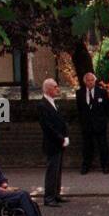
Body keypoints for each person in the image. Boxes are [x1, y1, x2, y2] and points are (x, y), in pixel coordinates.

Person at [37, 78, 70, 206]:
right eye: (55, 87)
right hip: (52, 143)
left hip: (59, 142)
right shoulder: (42, 105)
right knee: (52, 170)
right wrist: (60, 138)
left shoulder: (54, 103)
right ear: (48, 88)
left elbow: (61, 122)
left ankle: (56, 194)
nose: (58, 89)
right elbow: (47, 126)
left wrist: (65, 136)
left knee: (57, 170)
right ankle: (49, 197)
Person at [76, 71, 109, 174]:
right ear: (85, 82)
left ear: (95, 81)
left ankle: (105, 166)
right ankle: (86, 166)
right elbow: (79, 109)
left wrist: (103, 120)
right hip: (86, 125)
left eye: (92, 80)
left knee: (103, 146)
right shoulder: (80, 93)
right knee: (87, 146)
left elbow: (107, 108)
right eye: (88, 80)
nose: (90, 82)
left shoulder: (102, 92)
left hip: (100, 125)